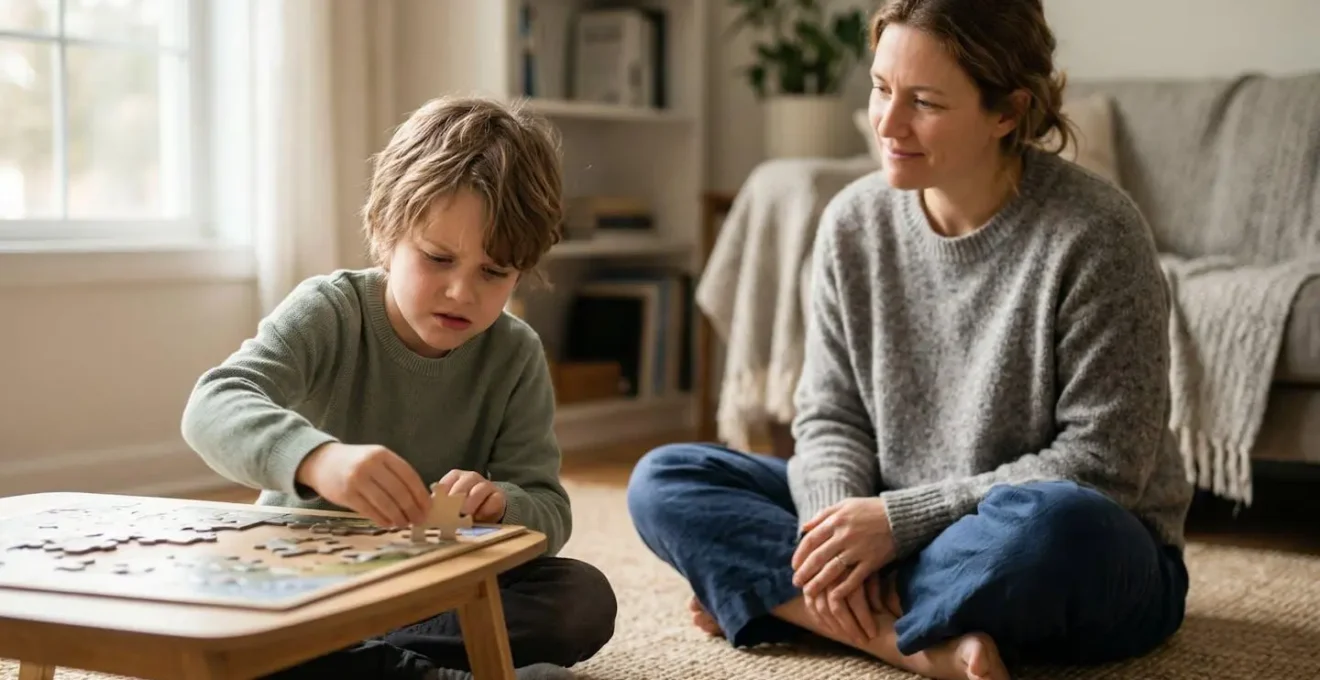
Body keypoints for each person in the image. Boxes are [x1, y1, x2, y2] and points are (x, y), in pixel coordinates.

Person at [626, 1, 1194, 678]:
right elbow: (830, 415)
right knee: (665, 482)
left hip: (1061, 545)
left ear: (1008, 112)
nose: (888, 125)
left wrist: (896, 523)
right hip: (890, 525)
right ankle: (917, 644)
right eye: (881, 88)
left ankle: (784, 602)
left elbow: (1103, 466)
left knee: (1059, 528)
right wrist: (837, 530)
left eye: (923, 102)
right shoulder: (852, 223)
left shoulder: (1099, 233)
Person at [182, 95, 616, 680]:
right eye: (438, 259)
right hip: (305, 579)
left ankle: (373, 662)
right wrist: (317, 458)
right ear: (386, 234)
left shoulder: (515, 355)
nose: (462, 292)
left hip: (429, 589)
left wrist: (501, 502)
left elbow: (548, 510)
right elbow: (213, 404)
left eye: (493, 272)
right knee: (227, 611)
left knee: (581, 599)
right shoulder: (331, 311)